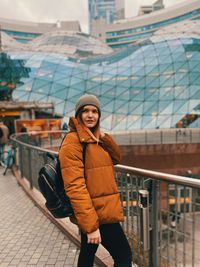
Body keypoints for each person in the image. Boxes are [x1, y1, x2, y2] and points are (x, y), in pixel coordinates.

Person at [59, 94, 133, 267]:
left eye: (94, 111)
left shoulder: (93, 139)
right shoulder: (73, 142)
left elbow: (116, 158)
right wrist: (91, 226)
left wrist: (104, 137)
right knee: (124, 256)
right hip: (97, 213)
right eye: (85, 111)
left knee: (87, 253)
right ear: (78, 115)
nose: (90, 115)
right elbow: (75, 186)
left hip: (96, 209)